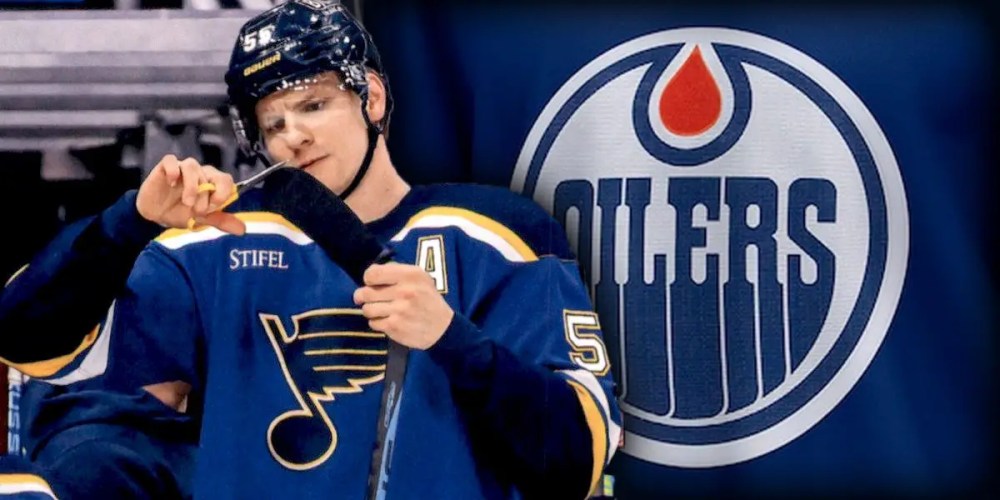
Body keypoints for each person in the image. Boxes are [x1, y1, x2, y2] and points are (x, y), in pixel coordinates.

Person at [13, 1, 621, 498]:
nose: (294, 136)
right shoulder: (213, 247)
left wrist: (451, 338)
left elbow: (576, 458)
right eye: (272, 123)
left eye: (313, 105)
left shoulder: (497, 233)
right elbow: (26, 340)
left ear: (371, 98)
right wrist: (130, 222)